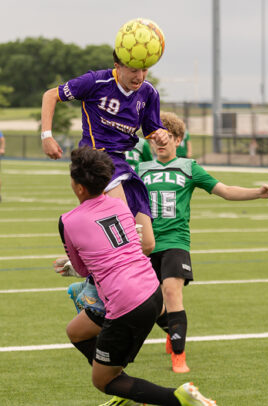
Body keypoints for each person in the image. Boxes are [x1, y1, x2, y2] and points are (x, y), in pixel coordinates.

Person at [58, 147, 216, 406]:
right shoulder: (120, 205)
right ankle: (126, 389)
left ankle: (181, 399)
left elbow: (85, 270)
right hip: (151, 290)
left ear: (78, 187)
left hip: (125, 302)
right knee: (76, 331)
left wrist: (69, 266)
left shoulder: (68, 220)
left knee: (103, 381)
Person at [138, 112, 268, 374]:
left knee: (171, 291)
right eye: (155, 137)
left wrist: (257, 193)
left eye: (167, 137)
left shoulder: (190, 168)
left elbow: (224, 190)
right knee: (149, 303)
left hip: (176, 241)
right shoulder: (141, 170)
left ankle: (179, 356)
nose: (160, 142)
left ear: (178, 139)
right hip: (147, 244)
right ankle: (172, 331)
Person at [40, 48, 170, 252]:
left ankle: (87, 269)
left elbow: (152, 129)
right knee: (123, 229)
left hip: (121, 163)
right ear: (118, 66)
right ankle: (95, 273)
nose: (140, 76)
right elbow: (50, 95)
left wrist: (159, 134)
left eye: (144, 70)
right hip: (94, 159)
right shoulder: (95, 82)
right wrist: (46, 136)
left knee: (146, 244)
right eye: (134, 70)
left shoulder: (149, 93)